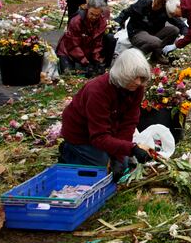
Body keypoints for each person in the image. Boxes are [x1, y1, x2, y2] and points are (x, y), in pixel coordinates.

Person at [59, 48, 154, 178]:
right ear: (122, 74)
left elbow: (129, 123)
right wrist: (131, 148)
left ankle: (103, 155)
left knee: (123, 165)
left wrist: (119, 156)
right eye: (134, 77)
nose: (138, 82)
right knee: (103, 169)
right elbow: (98, 137)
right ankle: (70, 151)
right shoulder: (97, 91)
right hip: (82, 134)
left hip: (108, 130)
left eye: (142, 78)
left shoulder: (137, 88)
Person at [113, 0, 187, 64]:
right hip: (137, 32)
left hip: (153, 33)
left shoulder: (166, 9)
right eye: (154, 3)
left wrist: (184, 35)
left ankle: (156, 57)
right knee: (156, 41)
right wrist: (118, 22)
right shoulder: (143, 3)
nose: (154, 6)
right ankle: (134, 58)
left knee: (174, 30)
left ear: (163, 5)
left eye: (157, 6)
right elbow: (126, 12)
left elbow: (180, 24)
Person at [56, 0, 110, 76]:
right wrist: (84, 61)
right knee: (68, 75)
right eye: (91, 14)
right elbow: (73, 44)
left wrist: (96, 59)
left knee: (95, 72)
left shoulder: (102, 22)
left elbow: (97, 42)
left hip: (87, 50)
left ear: (101, 12)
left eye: (97, 15)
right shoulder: (76, 21)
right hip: (68, 50)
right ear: (87, 9)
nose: (94, 17)